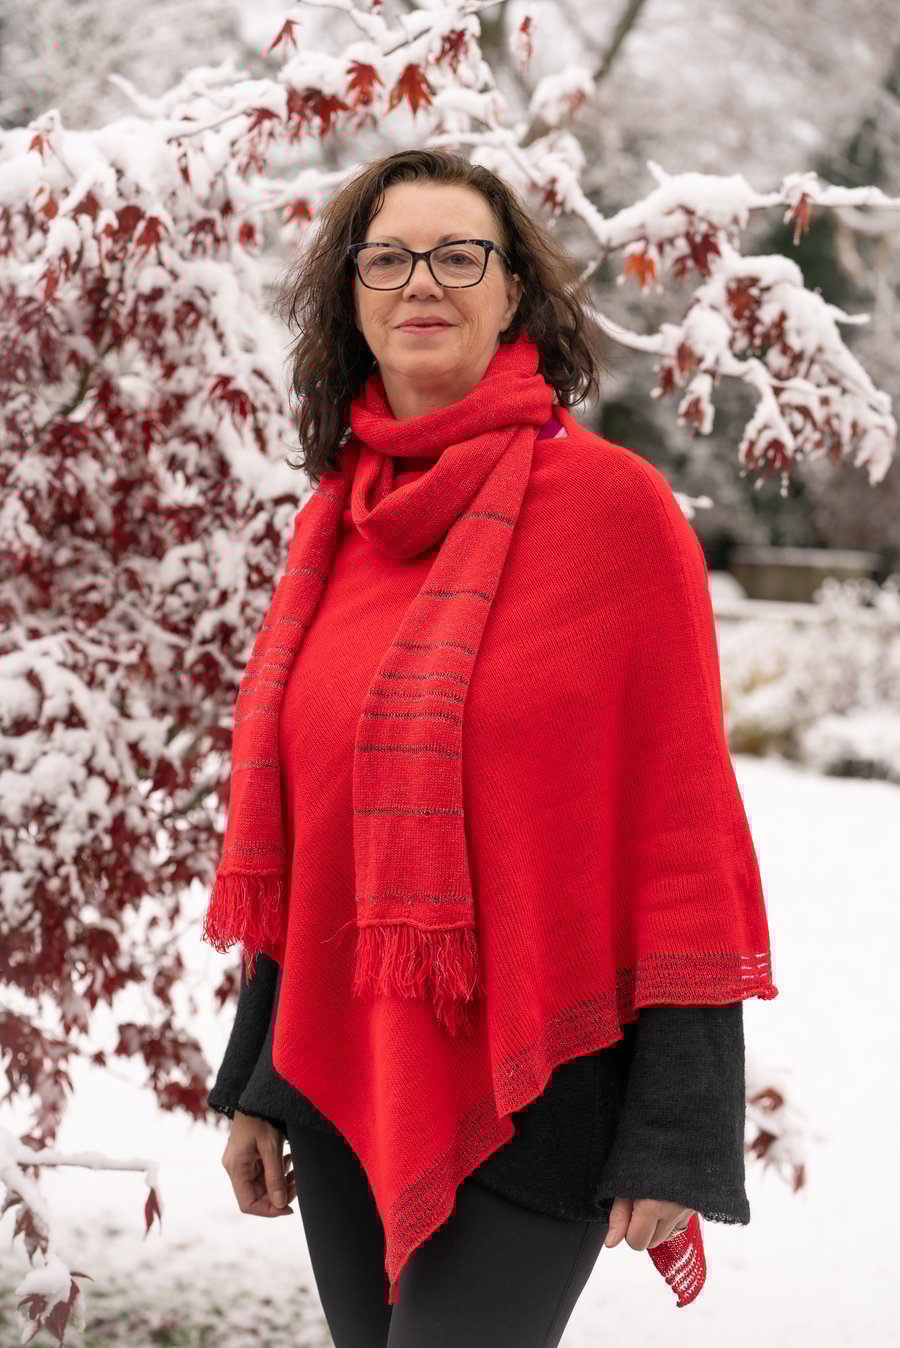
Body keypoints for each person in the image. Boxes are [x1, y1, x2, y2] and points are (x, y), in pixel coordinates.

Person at [204, 147, 778, 1348]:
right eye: (390, 257)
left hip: (538, 1090)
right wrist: (258, 1080)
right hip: (339, 1079)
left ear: (515, 289)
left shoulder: (619, 519)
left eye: (461, 255)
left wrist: (677, 1130)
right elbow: (314, 843)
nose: (426, 281)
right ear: (352, 298)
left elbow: (685, 837)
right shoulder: (333, 529)